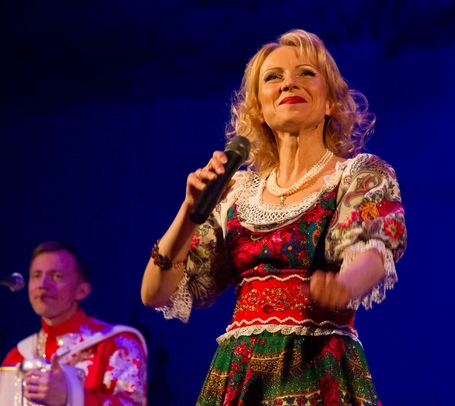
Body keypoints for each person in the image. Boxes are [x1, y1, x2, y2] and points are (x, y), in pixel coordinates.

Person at [141, 28, 407, 405]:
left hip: (318, 367)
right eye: (273, 77)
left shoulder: (357, 176)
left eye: (306, 73)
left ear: (330, 101)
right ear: (260, 110)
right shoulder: (235, 191)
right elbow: (154, 293)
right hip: (240, 377)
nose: (289, 83)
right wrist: (189, 212)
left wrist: (345, 285)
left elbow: (372, 249)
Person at [2, 241, 148, 405]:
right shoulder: (16, 357)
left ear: (82, 291)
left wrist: (71, 398)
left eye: (56, 276)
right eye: (36, 275)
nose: (42, 284)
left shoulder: (117, 344)